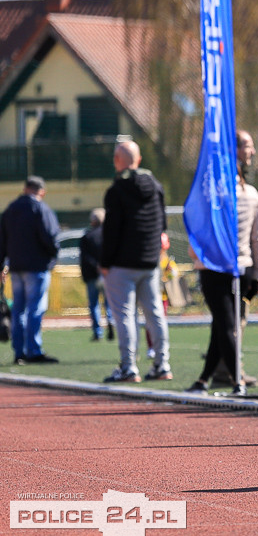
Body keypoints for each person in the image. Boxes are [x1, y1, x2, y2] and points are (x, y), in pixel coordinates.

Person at [187, 130, 258, 395]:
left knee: (224, 325)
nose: (252, 152)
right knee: (225, 324)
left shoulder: (243, 193)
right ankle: (214, 379)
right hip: (221, 267)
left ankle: (234, 381)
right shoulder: (214, 191)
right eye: (247, 146)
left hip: (233, 269)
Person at [100, 142, 172, 382]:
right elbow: (162, 224)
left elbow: (111, 231)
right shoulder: (156, 187)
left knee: (124, 315)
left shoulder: (116, 191)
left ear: (117, 160)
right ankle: (162, 364)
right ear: (139, 159)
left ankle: (129, 367)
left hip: (122, 264)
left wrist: (105, 262)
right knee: (155, 314)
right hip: (149, 261)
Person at [0, 176, 60, 364]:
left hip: (16, 267)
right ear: (41, 191)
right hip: (36, 266)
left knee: (18, 310)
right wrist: (51, 257)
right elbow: (50, 237)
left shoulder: (10, 210)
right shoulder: (40, 209)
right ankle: (33, 350)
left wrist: (2, 264)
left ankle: (19, 351)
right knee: (35, 309)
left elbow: (1, 241)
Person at [80, 208, 112, 342]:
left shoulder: (87, 236)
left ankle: (97, 332)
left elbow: (85, 257)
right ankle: (111, 321)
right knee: (109, 303)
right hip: (108, 274)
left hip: (92, 275)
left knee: (93, 304)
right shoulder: (110, 235)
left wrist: (96, 267)